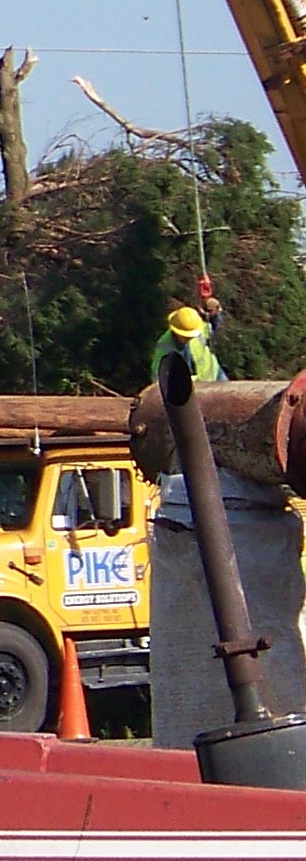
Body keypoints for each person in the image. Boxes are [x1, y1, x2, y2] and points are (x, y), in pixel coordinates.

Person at [144, 304, 306, 746]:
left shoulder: (189, 340)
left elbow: (209, 344)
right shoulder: (170, 352)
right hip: (203, 428)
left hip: (210, 423)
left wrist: (213, 314)